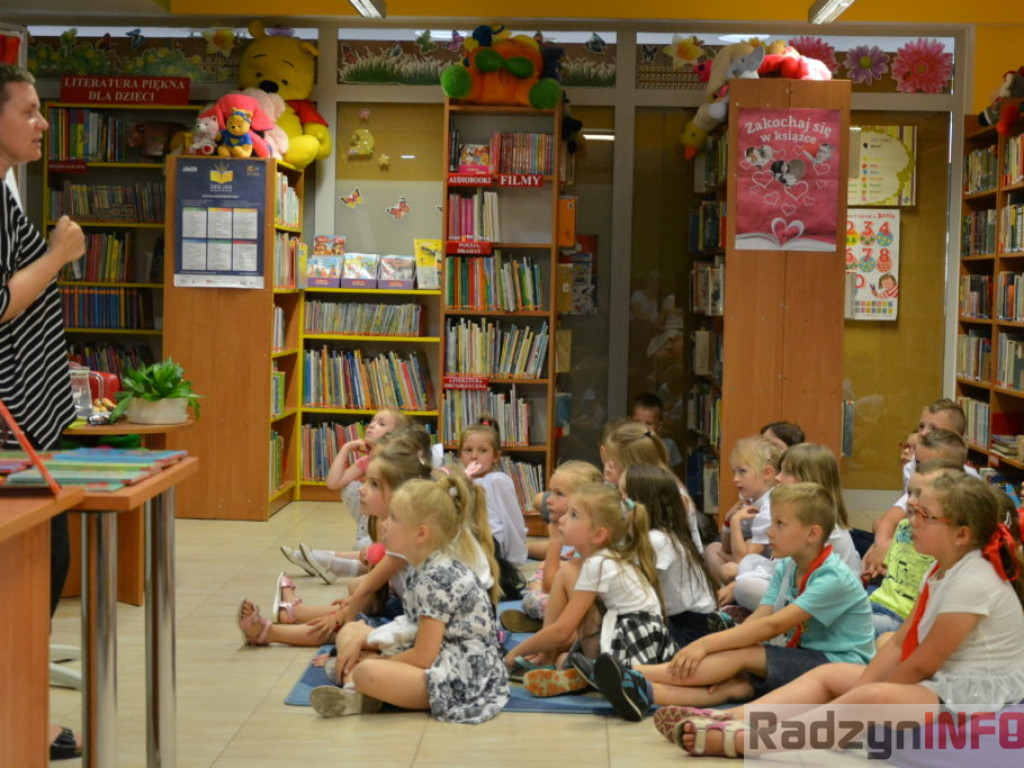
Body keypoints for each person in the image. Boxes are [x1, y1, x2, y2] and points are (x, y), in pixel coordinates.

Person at [669, 473, 1024, 759]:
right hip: (945, 680)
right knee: (832, 674)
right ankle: (731, 716)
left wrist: (856, 703)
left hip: (976, 695)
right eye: (914, 511)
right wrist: (855, 692)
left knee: (871, 699)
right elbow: (899, 644)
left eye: (924, 516)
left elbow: (922, 663)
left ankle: (749, 742)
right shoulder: (940, 568)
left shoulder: (973, 581)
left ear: (961, 534)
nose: (912, 522)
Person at [594, 483, 874, 723]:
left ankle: (631, 672)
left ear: (812, 534)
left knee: (743, 655)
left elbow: (773, 626)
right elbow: (761, 615)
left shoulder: (833, 577)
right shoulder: (787, 564)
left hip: (840, 665)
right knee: (735, 684)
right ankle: (643, 692)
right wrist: (727, 642)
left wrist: (706, 644)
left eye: (780, 524)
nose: (770, 532)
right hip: (806, 657)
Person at [0, 62, 86, 762]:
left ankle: (23, 713)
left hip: (25, 418)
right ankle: (19, 718)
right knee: (31, 567)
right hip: (7, 426)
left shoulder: (8, 191)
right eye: (27, 110)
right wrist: (57, 255)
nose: (42, 123)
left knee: (40, 562)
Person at [309, 474, 510, 723]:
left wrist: (381, 657)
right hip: (438, 652)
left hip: (462, 677)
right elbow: (412, 627)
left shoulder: (437, 577)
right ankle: (359, 688)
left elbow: (424, 656)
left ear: (421, 533)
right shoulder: (422, 566)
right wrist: (366, 641)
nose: (384, 524)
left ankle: (354, 686)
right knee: (352, 630)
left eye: (393, 518)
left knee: (367, 670)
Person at [237, 439, 436, 646]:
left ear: (398, 493)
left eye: (373, 484)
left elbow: (371, 588)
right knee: (354, 600)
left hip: (420, 622)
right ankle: (295, 612)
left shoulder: (404, 534)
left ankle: (270, 632)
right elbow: (373, 585)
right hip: (409, 607)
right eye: (366, 481)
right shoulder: (386, 525)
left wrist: (340, 621)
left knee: (348, 625)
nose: (361, 489)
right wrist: (343, 613)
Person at [502, 483, 676, 699]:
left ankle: (589, 671)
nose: (563, 519)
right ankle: (573, 671)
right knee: (563, 657)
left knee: (569, 581)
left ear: (598, 534)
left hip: (631, 647)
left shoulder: (597, 564)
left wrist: (512, 655)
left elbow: (561, 631)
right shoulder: (606, 556)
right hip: (648, 642)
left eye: (573, 515)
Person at [279, 408, 409, 582]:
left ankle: (322, 559)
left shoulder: (399, 464)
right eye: (372, 421)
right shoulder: (368, 460)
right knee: (350, 488)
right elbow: (333, 483)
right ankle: (321, 558)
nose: (371, 425)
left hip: (393, 524)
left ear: (395, 436)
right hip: (374, 522)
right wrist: (346, 448)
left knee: (363, 548)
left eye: (381, 424)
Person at [728, 443, 861, 611]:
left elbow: (783, 573)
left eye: (787, 472)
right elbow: (780, 568)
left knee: (744, 586)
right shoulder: (802, 515)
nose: (778, 478)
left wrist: (736, 584)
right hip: (802, 589)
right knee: (747, 564)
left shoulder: (822, 527)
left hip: (827, 605)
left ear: (809, 480)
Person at [862, 398, 971, 578]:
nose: (923, 433)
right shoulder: (914, 469)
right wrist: (881, 546)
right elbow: (890, 519)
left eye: (934, 429)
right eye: (921, 426)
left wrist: (890, 547)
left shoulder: (965, 487)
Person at [621, 464, 720, 645]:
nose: (618, 503)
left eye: (623, 495)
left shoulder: (658, 540)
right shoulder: (661, 535)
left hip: (690, 629)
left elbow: (630, 589)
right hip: (681, 622)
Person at [504, 460, 603, 632]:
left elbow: (549, 585)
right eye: (551, 492)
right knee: (541, 571)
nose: (549, 500)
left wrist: (555, 540)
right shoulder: (583, 525)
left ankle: (551, 624)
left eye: (559, 494)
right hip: (575, 595)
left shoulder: (586, 536)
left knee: (533, 597)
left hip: (588, 611)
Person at [868, 461, 963, 637]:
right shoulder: (904, 527)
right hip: (877, 602)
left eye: (919, 494)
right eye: (909, 492)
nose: (910, 500)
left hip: (901, 617)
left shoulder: (940, 544)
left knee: (841, 625)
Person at [601, 418, 704, 550]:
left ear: (634, 468)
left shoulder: (673, 497)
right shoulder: (627, 486)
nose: (608, 467)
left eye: (614, 463)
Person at [457, 416, 528, 597]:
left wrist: (514, 559)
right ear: (460, 454)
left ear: (495, 456)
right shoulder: (458, 481)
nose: (474, 456)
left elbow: (512, 521)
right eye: (468, 450)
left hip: (490, 546)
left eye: (483, 451)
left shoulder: (496, 481)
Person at [703, 436, 780, 585]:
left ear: (767, 473)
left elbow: (743, 559)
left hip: (771, 570)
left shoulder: (770, 507)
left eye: (742, 471)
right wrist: (728, 522)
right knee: (713, 548)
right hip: (754, 560)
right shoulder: (750, 500)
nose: (735, 479)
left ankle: (731, 594)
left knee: (728, 569)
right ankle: (728, 593)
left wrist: (735, 521)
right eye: (734, 472)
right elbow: (726, 547)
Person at [631, 392, 684, 473]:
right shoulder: (626, 446)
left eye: (648, 424)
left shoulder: (668, 445)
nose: (642, 428)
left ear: (659, 426)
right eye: (637, 422)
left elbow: (674, 473)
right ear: (630, 422)